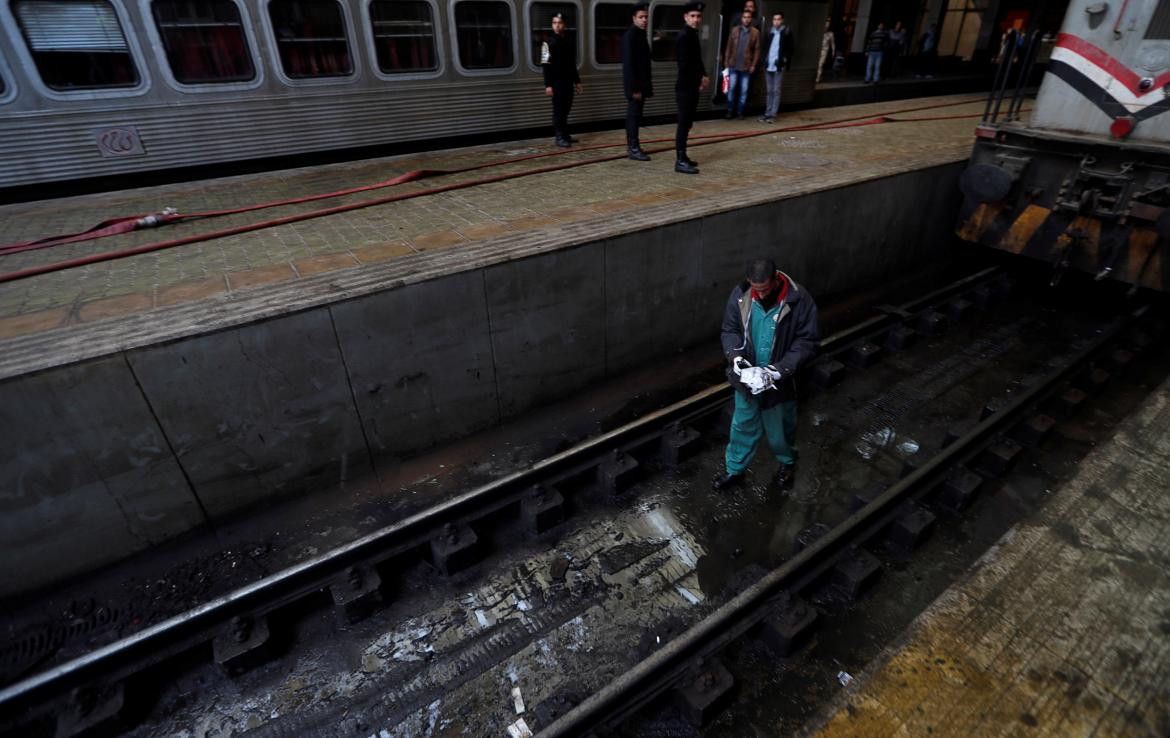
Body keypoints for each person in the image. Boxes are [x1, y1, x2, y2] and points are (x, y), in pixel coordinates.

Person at [714, 259, 820, 491]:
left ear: (775, 280)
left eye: (763, 290)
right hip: (747, 381)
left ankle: (787, 463)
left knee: (780, 431)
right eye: (755, 290)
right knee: (742, 426)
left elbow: (807, 341)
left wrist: (778, 371)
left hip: (779, 384)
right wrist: (736, 358)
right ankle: (734, 470)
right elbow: (730, 330)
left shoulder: (799, 300)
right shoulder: (741, 295)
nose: (759, 296)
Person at [675, 1, 709, 174]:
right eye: (693, 16)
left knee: (687, 123)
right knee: (683, 124)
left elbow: (697, 60)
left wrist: (704, 75)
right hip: (685, 88)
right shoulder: (684, 36)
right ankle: (679, 160)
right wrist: (699, 79)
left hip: (691, 87)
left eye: (699, 16)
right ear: (686, 17)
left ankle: (684, 155)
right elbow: (684, 65)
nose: (696, 20)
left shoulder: (692, 34)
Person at [541, 12, 582, 147]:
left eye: (559, 23)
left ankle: (565, 134)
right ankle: (559, 137)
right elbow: (545, 65)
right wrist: (548, 85)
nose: (557, 26)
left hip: (568, 81)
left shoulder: (569, 41)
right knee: (558, 110)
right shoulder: (547, 43)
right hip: (556, 83)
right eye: (554, 23)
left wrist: (577, 81)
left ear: (564, 25)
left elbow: (572, 64)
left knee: (566, 108)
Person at [621, 2, 653, 161]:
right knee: (633, 116)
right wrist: (634, 89)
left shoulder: (640, 34)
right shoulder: (631, 36)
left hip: (641, 85)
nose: (644, 20)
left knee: (636, 115)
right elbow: (629, 65)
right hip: (636, 87)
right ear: (634, 18)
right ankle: (633, 148)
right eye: (641, 17)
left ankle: (634, 146)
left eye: (646, 17)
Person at [723, 9, 760, 119]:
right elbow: (728, 47)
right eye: (744, 17)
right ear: (741, 19)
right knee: (732, 89)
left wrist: (753, 65)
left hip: (746, 67)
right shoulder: (734, 30)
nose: (746, 19)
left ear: (751, 19)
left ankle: (740, 112)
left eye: (748, 17)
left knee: (744, 91)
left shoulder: (755, 32)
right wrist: (726, 62)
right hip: (733, 65)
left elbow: (758, 50)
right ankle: (730, 111)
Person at [760, 11, 792, 123]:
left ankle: (773, 115)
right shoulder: (769, 31)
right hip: (768, 64)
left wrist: (784, 60)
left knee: (776, 90)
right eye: (774, 19)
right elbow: (764, 47)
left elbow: (790, 49)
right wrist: (764, 59)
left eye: (778, 19)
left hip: (779, 65)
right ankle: (767, 113)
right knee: (769, 91)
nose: (776, 21)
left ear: (782, 20)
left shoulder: (786, 32)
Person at [816, 17, 835, 84]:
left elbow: (832, 43)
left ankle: (817, 78)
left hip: (824, 51)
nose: (826, 27)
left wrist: (833, 51)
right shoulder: (819, 32)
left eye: (827, 26)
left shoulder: (830, 34)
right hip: (817, 50)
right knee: (817, 64)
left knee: (820, 64)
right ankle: (818, 76)